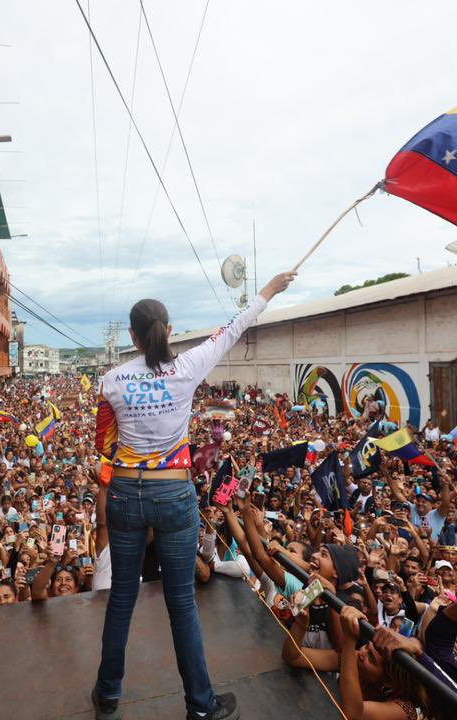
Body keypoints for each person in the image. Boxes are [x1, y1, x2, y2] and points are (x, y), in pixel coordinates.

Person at [90, 271, 296, 720]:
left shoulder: (111, 381)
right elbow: (235, 326)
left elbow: (103, 446)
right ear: (169, 330)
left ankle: (107, 693)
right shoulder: (188, 366)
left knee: (122, 597)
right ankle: (201, 706)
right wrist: (270, 290)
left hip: (125, 492)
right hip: (173, 494)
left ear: (132, 335)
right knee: (181, 602)